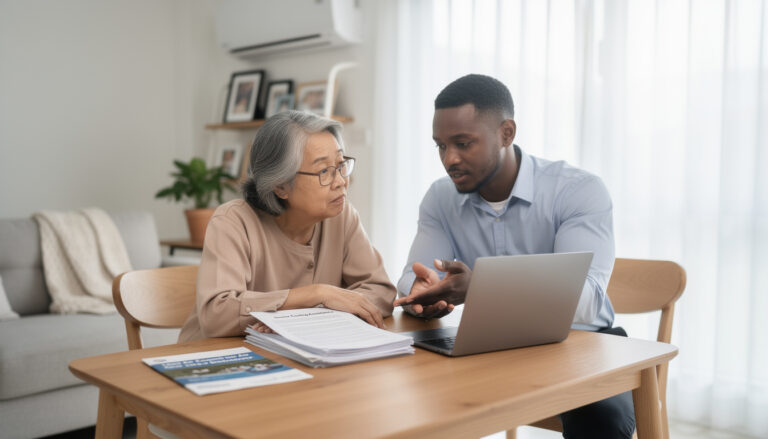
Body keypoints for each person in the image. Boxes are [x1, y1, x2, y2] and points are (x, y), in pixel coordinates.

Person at [392, 74, 635, 438]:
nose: (449, 159)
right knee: (404, 394)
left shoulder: (577, 190)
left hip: (582, 343)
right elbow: (413, 278)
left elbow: (587, 302)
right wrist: (422, 294)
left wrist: (482, 287)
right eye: (440, 146)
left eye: (463, 143)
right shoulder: (440, 198)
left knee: (602, 421)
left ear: (506, 133)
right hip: (490, 346)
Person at [179, 111, 395, 342]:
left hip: (305, 354)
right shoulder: (232, 221)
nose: (341, 181)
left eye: (341, 165)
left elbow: (381, 291)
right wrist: (316, 294)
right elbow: (216, 316)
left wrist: (307, 316)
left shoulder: (342, 216)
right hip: (220, 356)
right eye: (324, 171)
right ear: (280, 185)